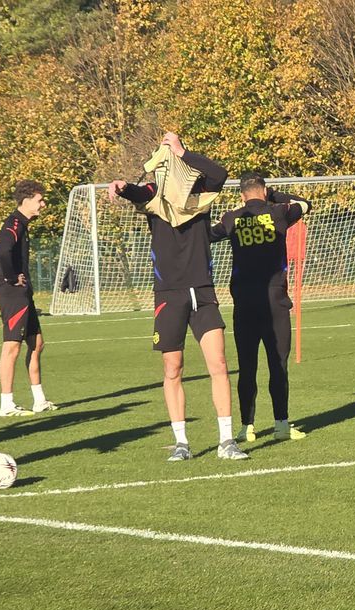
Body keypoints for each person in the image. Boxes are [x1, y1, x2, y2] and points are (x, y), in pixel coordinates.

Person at [107, 131, 246, 461]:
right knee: (173, 368)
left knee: (219, 364)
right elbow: (137, 191)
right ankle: (181, 442)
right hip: (168, 293)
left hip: (202, 290)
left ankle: (227, 441)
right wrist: (122, 187)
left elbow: (220, 174)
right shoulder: (152, 196)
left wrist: (184, 150)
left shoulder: (200, 192)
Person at [215, 173, 310, 444]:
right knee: (277, 365)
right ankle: (281, 423)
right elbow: (305, 204)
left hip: (244, 304)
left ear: (242, 194)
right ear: (264, 191)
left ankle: (247, 427)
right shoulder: (279, 212)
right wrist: (276, 195)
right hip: (275, 304)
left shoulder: (232, 218)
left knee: (247, 368)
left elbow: (208, 235)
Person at [0, 180, 57, 417]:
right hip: (13, 295)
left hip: (24, 294)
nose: (43, 204)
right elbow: (3, 251)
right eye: (40, 200)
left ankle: (39, 400)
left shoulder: (23, 224)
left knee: (37, 343)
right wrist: (12, 278)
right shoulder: (12, 224)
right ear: (27, 200)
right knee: (12, 347)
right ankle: (7, 404)